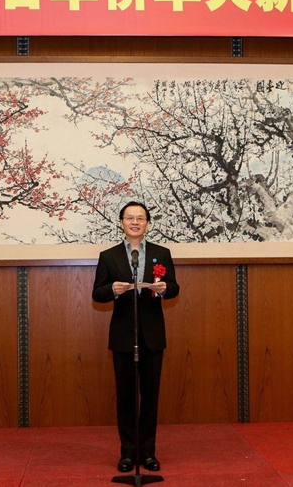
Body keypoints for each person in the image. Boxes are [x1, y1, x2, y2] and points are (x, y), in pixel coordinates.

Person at [92, 201, 180, 473]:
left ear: (147, 223)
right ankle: (128, 453)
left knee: (150, 397)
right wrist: (113, 289)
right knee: (127, 397)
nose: (135, 222)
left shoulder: (161, 253)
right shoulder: (109, 256)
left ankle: (148, 453)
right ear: (121, 222)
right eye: (129, 217)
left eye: (140, 218)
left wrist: (165, 289)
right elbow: (97, 293)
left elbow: (174, 287)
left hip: (152, 335)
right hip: (123, 335)